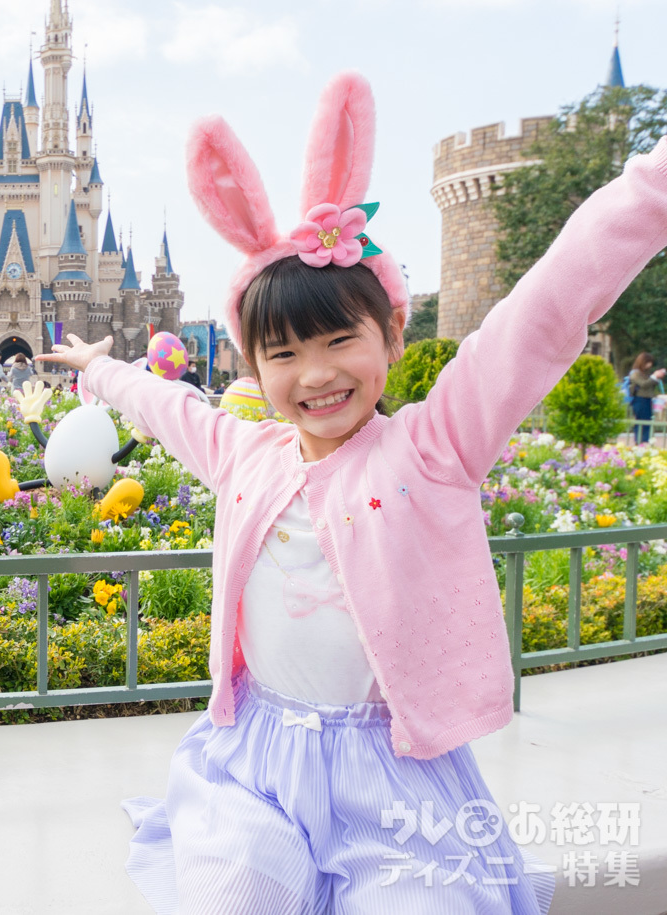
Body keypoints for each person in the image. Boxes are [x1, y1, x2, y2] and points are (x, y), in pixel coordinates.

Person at [41, 71, 667, 913]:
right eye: (286, 354)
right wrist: (101, 369)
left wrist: (650, 187)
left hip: (394, 778)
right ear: (253, 365)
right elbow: (168, 404)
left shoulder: (433, 448)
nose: (318, 372)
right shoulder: (244, 452)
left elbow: (548, 309)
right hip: (255, 770)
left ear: (392, 333)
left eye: (341, 339)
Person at [627, 352, 665, 445]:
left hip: (647, 400)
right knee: (641, 421)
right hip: (639, 400)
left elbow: (650, 385)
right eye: (648, 362)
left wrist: (657, 377)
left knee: (647, 421)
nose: (650, 365)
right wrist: (654, 376)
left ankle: (645, 441)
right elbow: (643, 384)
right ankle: (640, 442)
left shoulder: (645, 373)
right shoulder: (635, 373)